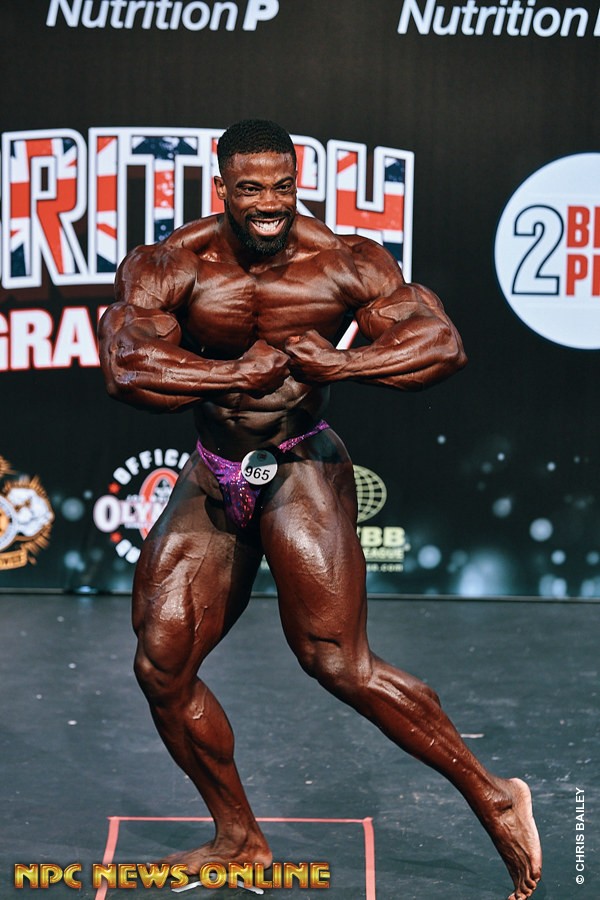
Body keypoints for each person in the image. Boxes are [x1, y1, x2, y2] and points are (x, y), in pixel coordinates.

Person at [98, 119, 541, 899]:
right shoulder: (172, 263)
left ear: (296, 182)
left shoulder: (344, 260)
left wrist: (343, 363)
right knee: (161, 664)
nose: (269, 203)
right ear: (223, 187)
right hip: (215, 470)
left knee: (338, 662)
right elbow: (125, 367)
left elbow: (441, 344)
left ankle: (495, 794)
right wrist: (231, 377)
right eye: (250, 188)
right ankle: (239, 839)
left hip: (300, 463)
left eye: (281, 186)